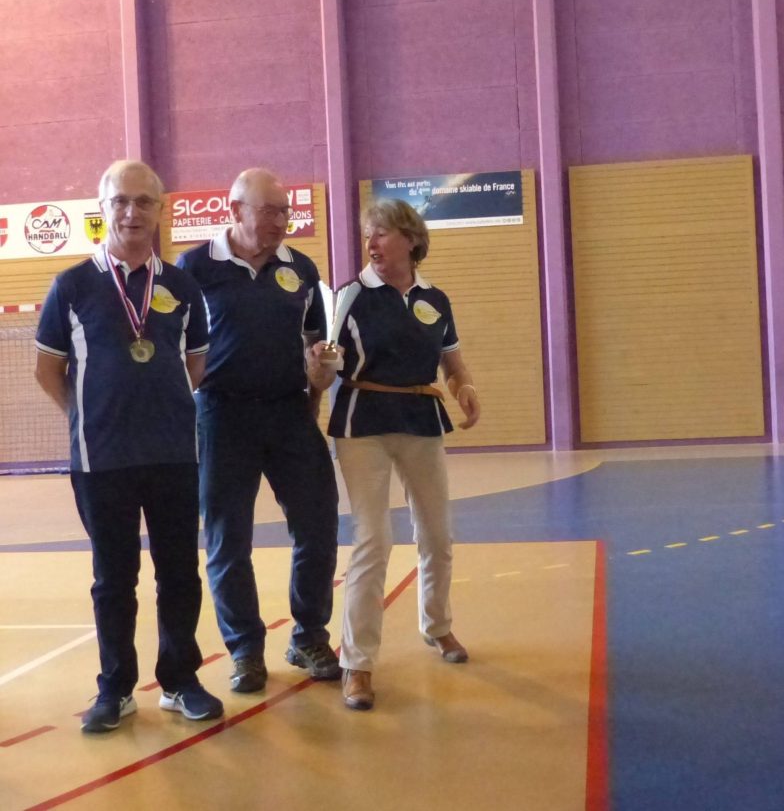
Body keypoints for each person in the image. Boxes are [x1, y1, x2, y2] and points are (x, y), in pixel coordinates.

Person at [34, 160, 224, 733]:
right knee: (113, 579)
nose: (131, 212)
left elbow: (196, 364)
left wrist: (160, 406)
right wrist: (88, 419)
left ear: (160, 210)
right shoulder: (72, 285)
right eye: (120, 201)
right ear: (103, 209)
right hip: (102, 460)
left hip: (173, 454)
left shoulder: (181, 286)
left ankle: (181, 681)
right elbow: (48, 370)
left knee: (179, 573)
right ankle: (115, 689)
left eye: (144, 201)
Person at [177, 169, 340, 692]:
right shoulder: (195, 267)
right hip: (221, 414)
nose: (280, 221)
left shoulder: (301, 268)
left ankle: (309, 635)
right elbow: (177, 345)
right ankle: (245, 649)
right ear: (235, 211)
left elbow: (316, 344)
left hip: (290, 411)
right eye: (268, 211)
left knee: (318, 525)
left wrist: (317, 386)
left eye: (285, 211)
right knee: (228, 539)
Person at [327, 199, 481, 711]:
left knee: (437, 534)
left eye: (382, 232)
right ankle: (357, 663)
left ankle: (437, 626)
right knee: (373, 540)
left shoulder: (435, 298)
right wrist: (319, 368)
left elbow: (452, 362)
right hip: (362, 423)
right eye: (368, 233)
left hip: (421, 419)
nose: (371, 242)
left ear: (411, 240)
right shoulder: (348, 295)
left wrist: (464, 387)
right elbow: (326, 367)